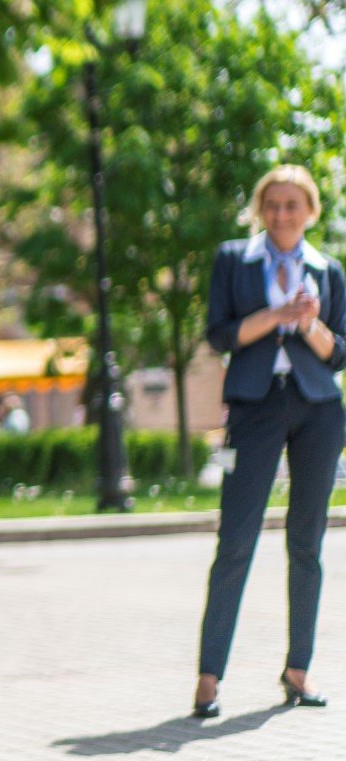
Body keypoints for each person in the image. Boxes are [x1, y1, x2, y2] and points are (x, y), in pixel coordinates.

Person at [192, 164, 346, 719]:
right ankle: (209, 680)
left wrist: (307, 324)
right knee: (236, 541)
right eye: (272, 204)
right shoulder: (235, 259)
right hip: (255, 407)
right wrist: (275, 315)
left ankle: (298, 672)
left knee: (307, 543)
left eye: (292, 204)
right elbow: (219, 333)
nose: (281, 214)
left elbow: (340, 352)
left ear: (309, 211)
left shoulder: (327, 268)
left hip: (319, 410)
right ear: (261, 209)